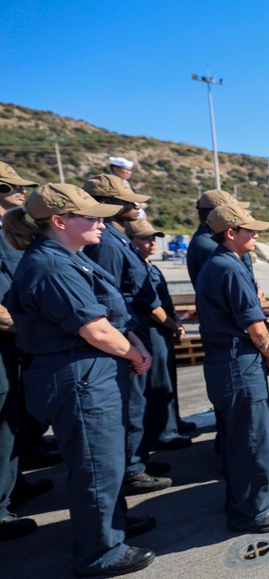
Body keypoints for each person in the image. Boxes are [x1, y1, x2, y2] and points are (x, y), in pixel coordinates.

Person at [4, 183, 155, 575]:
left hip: (92, 371)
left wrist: (132, 342)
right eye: (90, 215)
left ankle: (111, 525)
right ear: (59, 221)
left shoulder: (70, 256)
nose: (101, 223)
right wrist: (135, 352)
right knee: (94, 464)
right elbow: (96, 330)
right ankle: (99, 550)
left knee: (106, 459)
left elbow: (112, 314)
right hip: (78, 376)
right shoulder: (50, 265)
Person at [195, 203, 269, 533]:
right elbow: (257, 327)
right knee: (252, 440)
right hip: (239, 362)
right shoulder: (230, 267)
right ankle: (252, 511)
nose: (256, 234)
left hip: (224, 361)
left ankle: (240, 500)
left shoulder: (217, 264)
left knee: (237, 438)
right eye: (250, 230)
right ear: (231, 233)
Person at [82, 174, 175, 493]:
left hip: (134, 331)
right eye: (127, 200)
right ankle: (131, 470)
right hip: (127, 333)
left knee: (140, 401)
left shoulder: (115, 236)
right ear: (107, 204)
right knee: (131, 405)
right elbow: (107, 296)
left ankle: (138, 459)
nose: (135, 205)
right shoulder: (105, 242)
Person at [0, 163, 41, 541]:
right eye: (14, 187)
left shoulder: (8, 228)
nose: (21, 193)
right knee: (1, 422)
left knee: (13, 418)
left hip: (16, 341)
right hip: (5, 339)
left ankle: (14, 483)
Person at [125, 219, 190, 450]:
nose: (151, 243)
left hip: (162, 329)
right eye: (144, 238)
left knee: (167, 380)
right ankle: (164, 433)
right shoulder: (137, 268)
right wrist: (173, 325)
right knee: (159, 382)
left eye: (153, 238)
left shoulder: (148, 266)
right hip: (152, 330)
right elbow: (151, 307)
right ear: (130, 242)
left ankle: (172, 423)